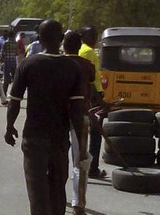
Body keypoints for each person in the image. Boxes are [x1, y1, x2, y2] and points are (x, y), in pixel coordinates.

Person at [5, 19, 85, 215]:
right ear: (61, 39)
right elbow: (77, 110)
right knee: (58, 189)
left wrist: (9, 127)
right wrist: (80, 147)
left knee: (37, 190)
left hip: (34, 138)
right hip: (59, 140)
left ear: (39, 39)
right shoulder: (73, 68)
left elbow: (14, 100)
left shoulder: (28, 64)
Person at [63, 31, 97, 214]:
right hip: (80, 117)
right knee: (81, 160)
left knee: (57, 157)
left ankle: (56, 196)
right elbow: (91, 85)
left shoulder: (56, 64)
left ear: (63, 45)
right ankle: (78, 203)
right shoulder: (87, 65)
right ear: (80, 45)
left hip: (58, 116)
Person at [79, 25, 107, 179]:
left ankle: (85, 166)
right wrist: (99, 99)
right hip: (93, 97)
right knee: (95, 133)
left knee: (84, 133)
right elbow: (91, 79)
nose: (95, 39)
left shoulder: (81, 50)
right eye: (91, 36)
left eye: (96, 35)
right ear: (83, 37)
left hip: (86, 96)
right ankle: (93, 169)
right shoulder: (88, 52)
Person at [0, 30, 18, 103]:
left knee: (6, 80)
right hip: (13, 62)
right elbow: (17, 53)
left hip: (7, 62)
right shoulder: (15, 43)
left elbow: (2, 53)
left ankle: (4, 95)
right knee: (15, 79)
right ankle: (15, 94)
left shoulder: (5, 43)